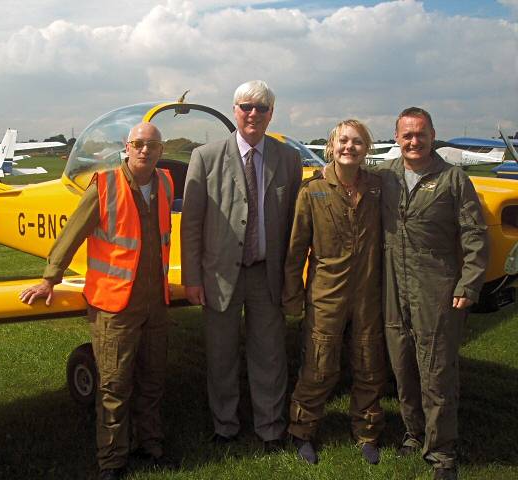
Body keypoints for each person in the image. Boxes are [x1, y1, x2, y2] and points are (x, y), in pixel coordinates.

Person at [19, 122, 174, 480]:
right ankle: (112, 462)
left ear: (160, 150)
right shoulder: (104, 185)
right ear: (127, 146)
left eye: (151, 145)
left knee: (152, 381)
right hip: (114, 304)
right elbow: (72, 233)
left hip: (154, 301)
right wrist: (50, 278)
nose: (144, 151)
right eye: (137, 144)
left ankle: (150, 446)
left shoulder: (165, 182)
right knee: (114, 386)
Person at [180, 80, 302, 450]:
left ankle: (270, 428)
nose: (253, 114)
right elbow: (192, 223)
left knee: (270, 355)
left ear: (270, 114)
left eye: (261, 108)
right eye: (246, 106)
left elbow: (297, 222)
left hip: (267, 274)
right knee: (221, 355)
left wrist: (291, 278)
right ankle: (225, 426)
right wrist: (192, 277)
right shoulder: (205, 156)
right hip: (219, 274)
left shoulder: (288, 158)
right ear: (235, 110)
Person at [377, 108, 488, 480]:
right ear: (397, 138)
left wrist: (469, 282)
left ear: (432, 136)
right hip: (393, 284)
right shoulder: (385, 176)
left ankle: (442, 453)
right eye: (407, 135)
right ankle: (413, 432)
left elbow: (474, 234)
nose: (413, 141)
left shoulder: (453, 179)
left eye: (420, 134)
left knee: (437, 371)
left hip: (436, 286)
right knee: (402, 366)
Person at [282, 119, 386, 465]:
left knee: (369, 365)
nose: (349, 147)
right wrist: (293, 295)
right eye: (343, 141)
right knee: (318, 366)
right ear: (332, 145)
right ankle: (302, 431)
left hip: (368, 294)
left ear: (366, 149)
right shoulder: (312, 191)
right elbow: (296, 251)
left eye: (357, 142)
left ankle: (367, 432)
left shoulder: (377, 189)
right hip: (327, 294)